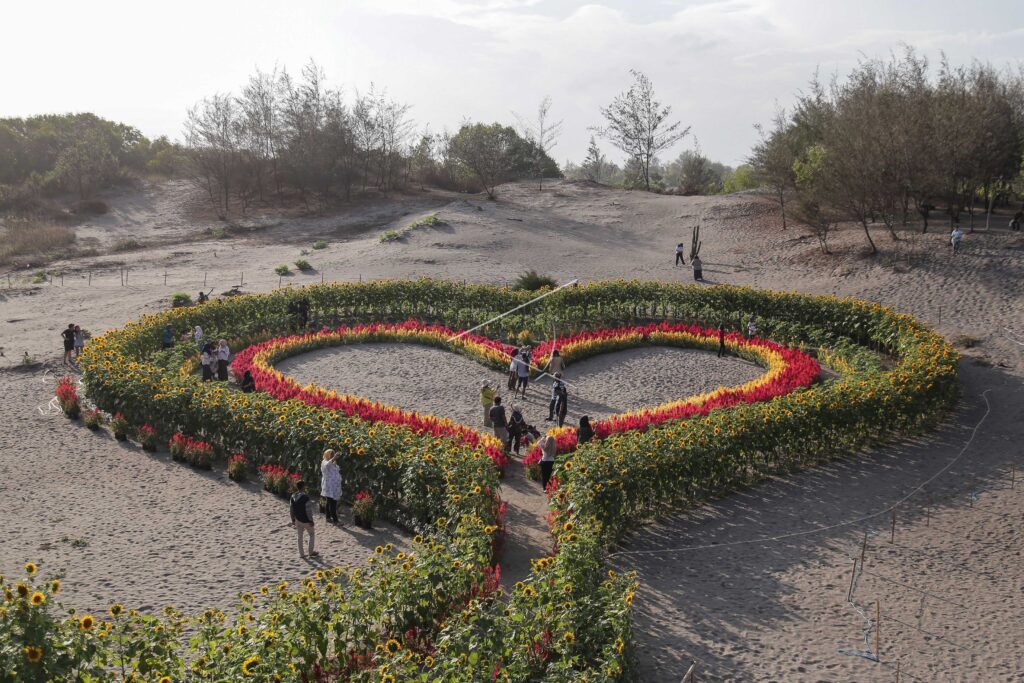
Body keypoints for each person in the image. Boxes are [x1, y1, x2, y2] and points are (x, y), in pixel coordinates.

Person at [289, 480, 319, 558]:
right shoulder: (305, 497)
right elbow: (308, 511)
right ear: (303, 487)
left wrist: (292, 519)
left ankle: (301, 554)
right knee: (311, 535)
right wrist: (311, 521)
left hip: (297, 520)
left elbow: (291, 509)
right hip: (306, 520)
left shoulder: (292, 496)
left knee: (300, 537)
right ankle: (310, 552)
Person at [320, 449, 342, 525]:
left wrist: (334, 460)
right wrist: (333, 459)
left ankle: (328, 517)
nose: (332, 456)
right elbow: (327, 465)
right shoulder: (324, 462)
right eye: (331, 454)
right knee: (332, 503)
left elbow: (336, 470)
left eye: (333, 454)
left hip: (334, 487)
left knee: (329, 502)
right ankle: (335, 520)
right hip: (329, 487)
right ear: (327, 455)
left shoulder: (333, 463)